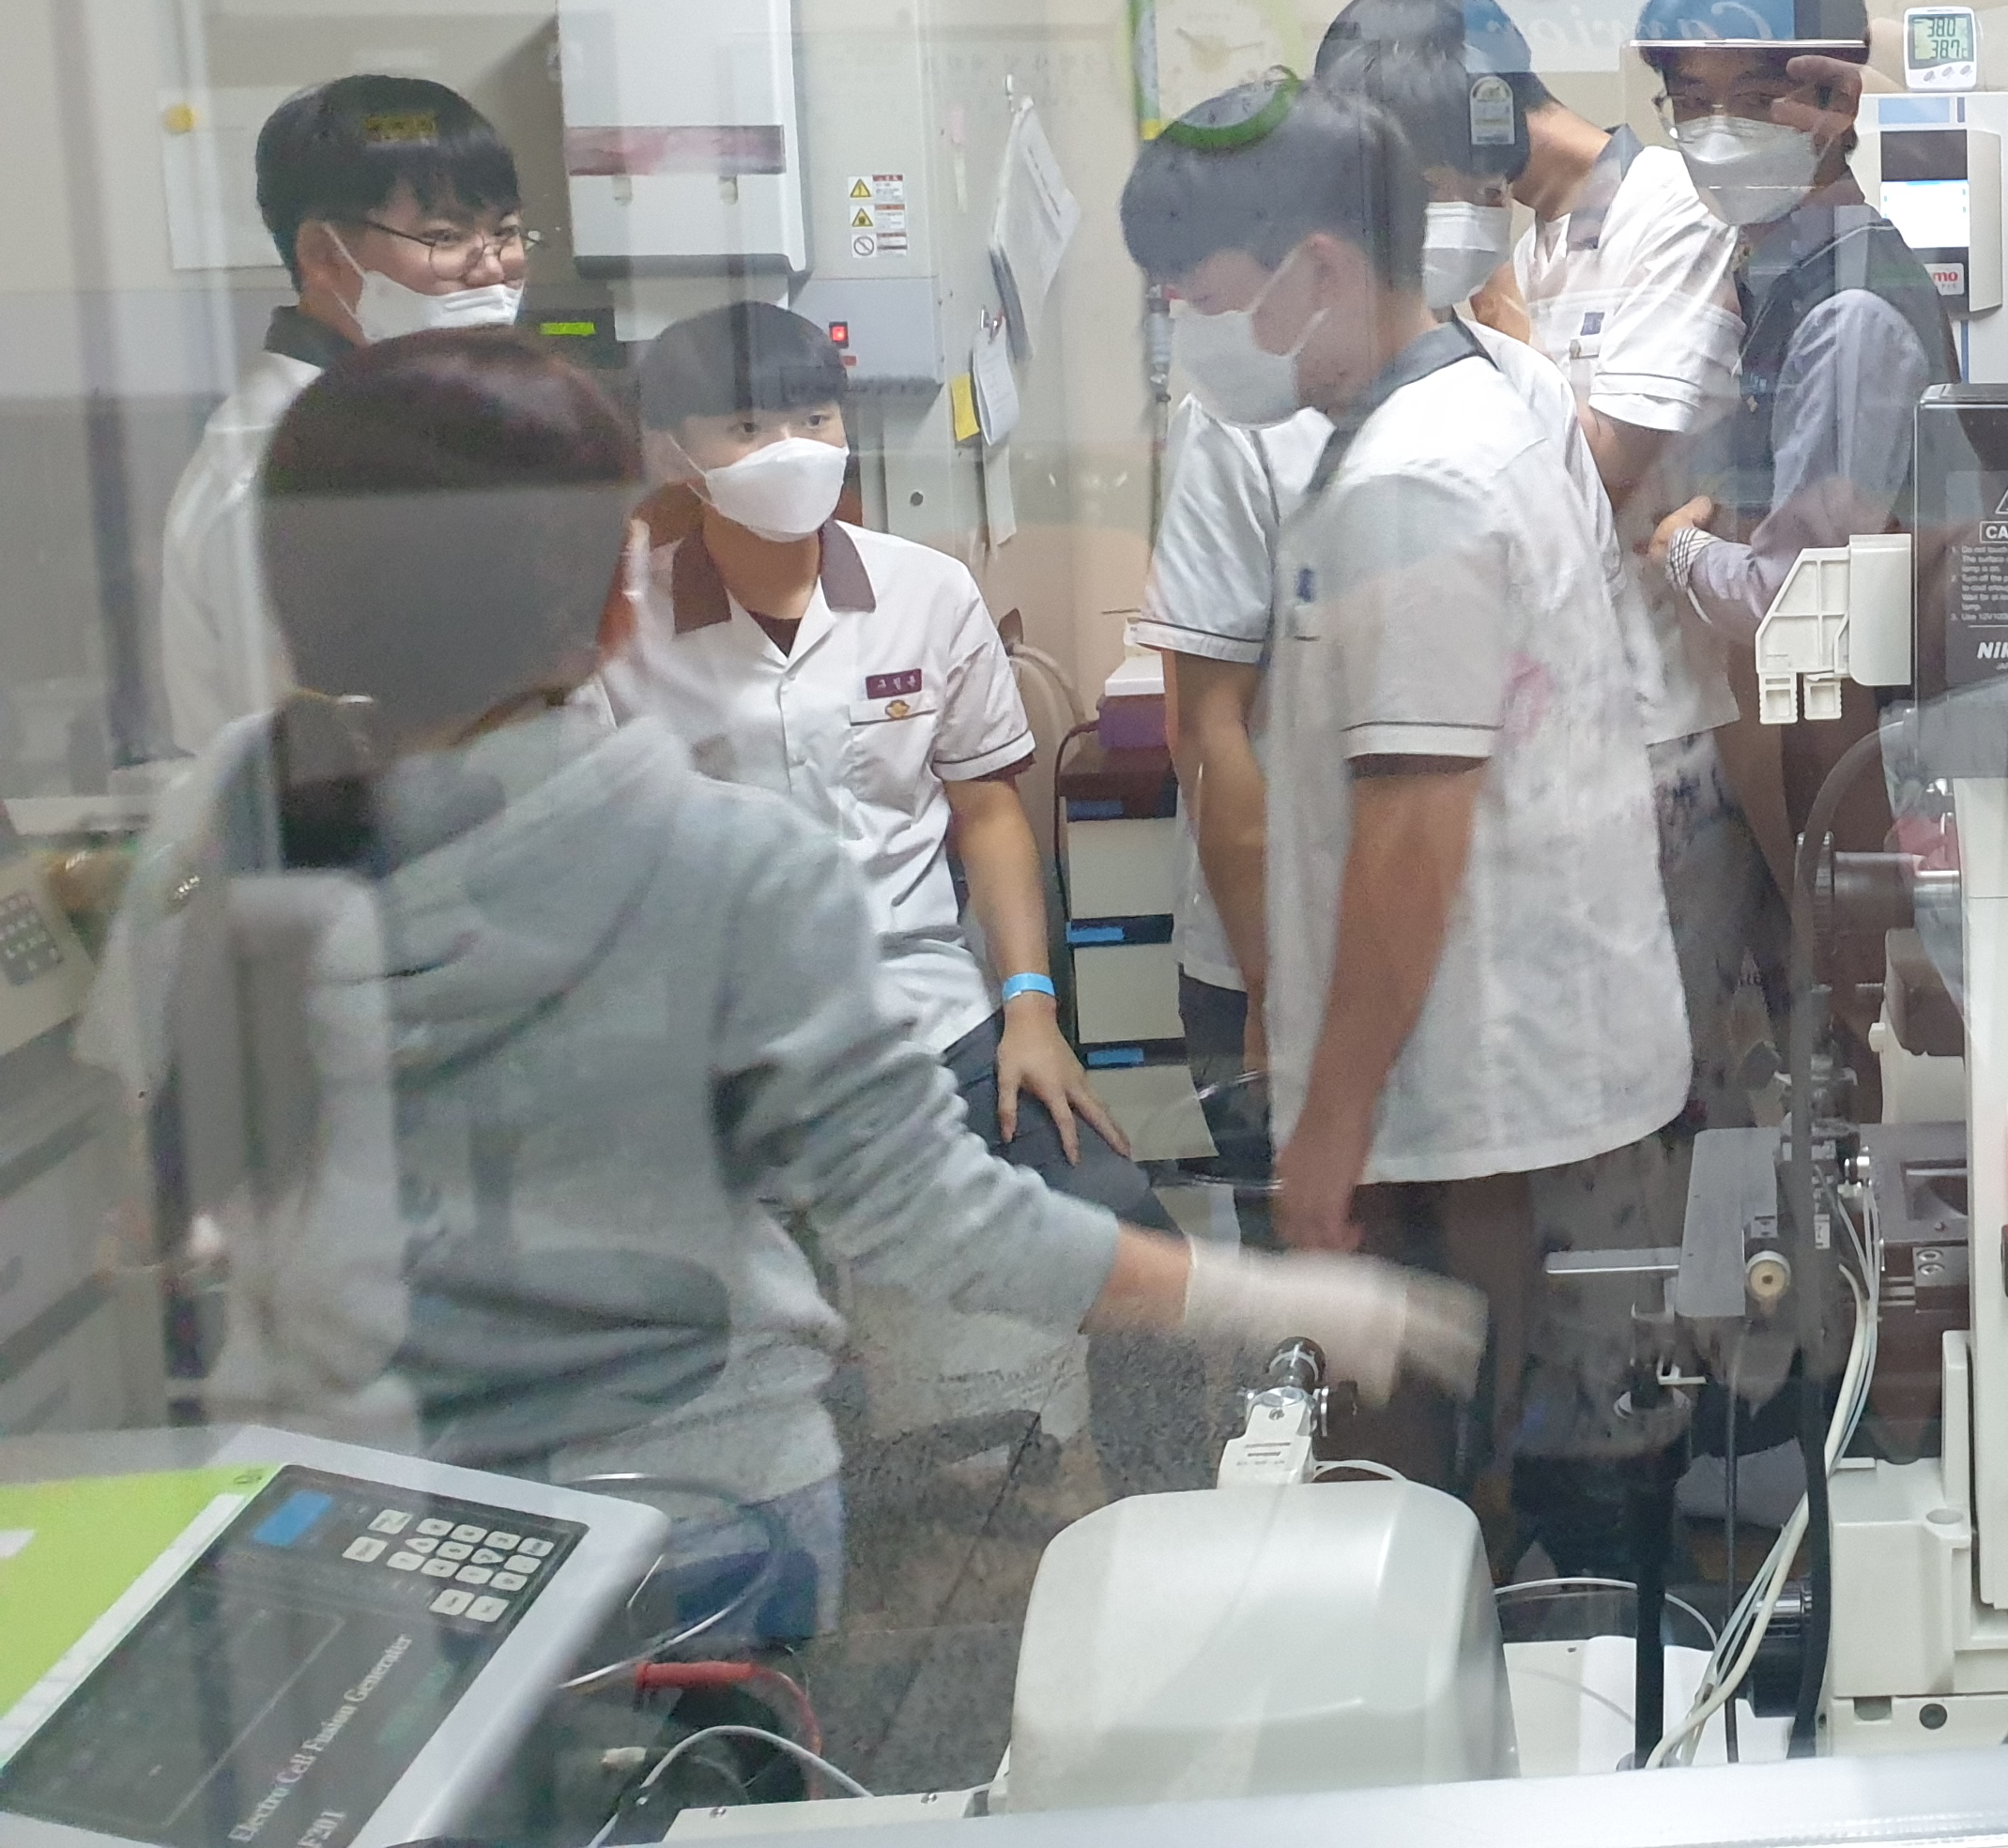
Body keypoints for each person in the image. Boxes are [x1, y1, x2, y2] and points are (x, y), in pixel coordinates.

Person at [89, 333, 1474, 1640]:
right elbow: (938, 1224)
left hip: (342, 1527)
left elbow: (153, 1204)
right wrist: (1273, 1299)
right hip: (682, 1520)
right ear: (620, 601)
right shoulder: (716, 860)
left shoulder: (226, 812)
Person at [1180, 87, 1688, 1533]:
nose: (1188, 330)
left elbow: (1414, 823)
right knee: (1502, 1435)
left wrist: (1328, 1118)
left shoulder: (1416, 474)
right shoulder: (1463, 404)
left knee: (1412, 1462)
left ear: (1314, 266)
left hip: (1456, 1060)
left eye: (1199, 296)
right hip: (1494, 1041)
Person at [596, 301, 1196, 1494]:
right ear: (673, 452)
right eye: (747, 426)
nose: (792, 448)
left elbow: (988, 814)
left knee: (1128, 1229)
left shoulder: (926, 591)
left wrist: (1030, 1010)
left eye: (814, 417)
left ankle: (1157, 1502)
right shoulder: (622, 623)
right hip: (712, 1051)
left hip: (927, 1021)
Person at [1320, 0, 1769, 1117]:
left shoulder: (1669, 205)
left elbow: (1601, 466)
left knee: (1669, 1099)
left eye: (1419, 182)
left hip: (1662, 730)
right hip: (1566, 731)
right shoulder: (1537, 243)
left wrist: (1495, 322)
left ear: (1482, 120)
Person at [1637, 0, 1957, 902]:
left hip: (1862, 782)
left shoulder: (1848, 310)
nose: (1717, 131)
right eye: (1691, 101)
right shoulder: (1774, 275)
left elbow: (1795, 599)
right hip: (1807, 758)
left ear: (1832, 100)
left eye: (1753, 98)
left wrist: (1680, 552)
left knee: (1864, 988)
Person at [158, 76, 529, 753]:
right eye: (446, 236)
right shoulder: (278, 466)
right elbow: (318, 750)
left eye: (504, 232)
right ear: (325, 255)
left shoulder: (400, 419)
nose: (492, 269)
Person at [1122, 80, 1336, 1248]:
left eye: (1195, 285)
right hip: (1284, 944)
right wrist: (1268, 988)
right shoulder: (1237, 417)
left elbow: (1204, 728)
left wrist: (1271, 993)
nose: (1180, 311)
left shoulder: (1244, 419)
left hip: (1327, 940)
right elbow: (1209, 730)